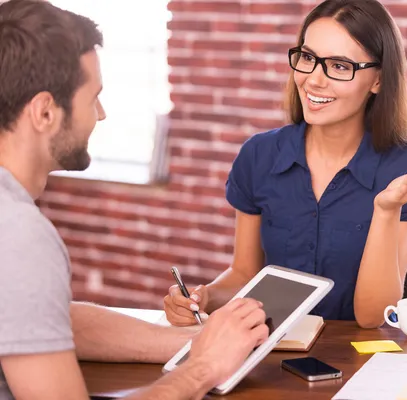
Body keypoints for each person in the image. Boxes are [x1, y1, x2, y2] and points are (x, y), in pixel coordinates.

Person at [0, 1, 269, 399]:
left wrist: (196, 341)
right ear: (44, 112)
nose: (101, 114)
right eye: (93, 97)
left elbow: (41, 318)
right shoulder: (19, 234)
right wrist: (204, 368)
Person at [164, 0, 407, 329]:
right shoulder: (259, 155)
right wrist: (204, 297)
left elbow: (374, 315)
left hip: (359, 357)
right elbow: (245, 273)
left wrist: (386, 210)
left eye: (340, 66)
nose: (314, 80)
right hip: (271, 348)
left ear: (378, 80)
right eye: (308, 58)